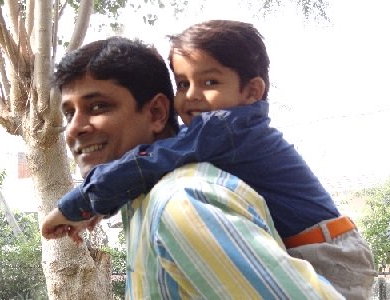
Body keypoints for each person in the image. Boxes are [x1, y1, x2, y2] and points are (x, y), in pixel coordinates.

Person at [44, 21, 375, 298]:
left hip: (329, 250)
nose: (75, 129)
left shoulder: (185, 199)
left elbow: (147, 161)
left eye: (99, 106)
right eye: (184, 84)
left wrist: (81, 204)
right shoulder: (154, 199)